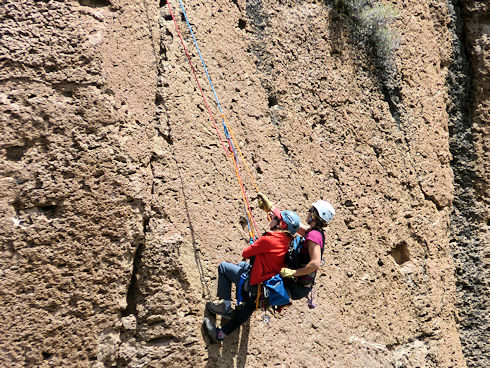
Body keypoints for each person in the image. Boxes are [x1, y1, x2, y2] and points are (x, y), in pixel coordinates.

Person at [203, 205, 301, 343]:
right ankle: (220, 335)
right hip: (268, 288)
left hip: (255, 283)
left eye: (276, 218)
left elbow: (246, 253)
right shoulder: (289, 242)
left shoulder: (269, 239)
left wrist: (256, 243)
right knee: (249, 303)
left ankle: (224, 307)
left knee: (224, 268)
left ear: (282, 224)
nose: (272, 217)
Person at [257, 193, 335, 300]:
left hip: (296, 286)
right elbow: (292, 225)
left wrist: (293, 272)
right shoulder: (314, 232)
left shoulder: (314, 236)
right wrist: (270, 207)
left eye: (310, 210)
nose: (308, 212)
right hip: (297, 282)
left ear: (314, 215)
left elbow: (315, 263)